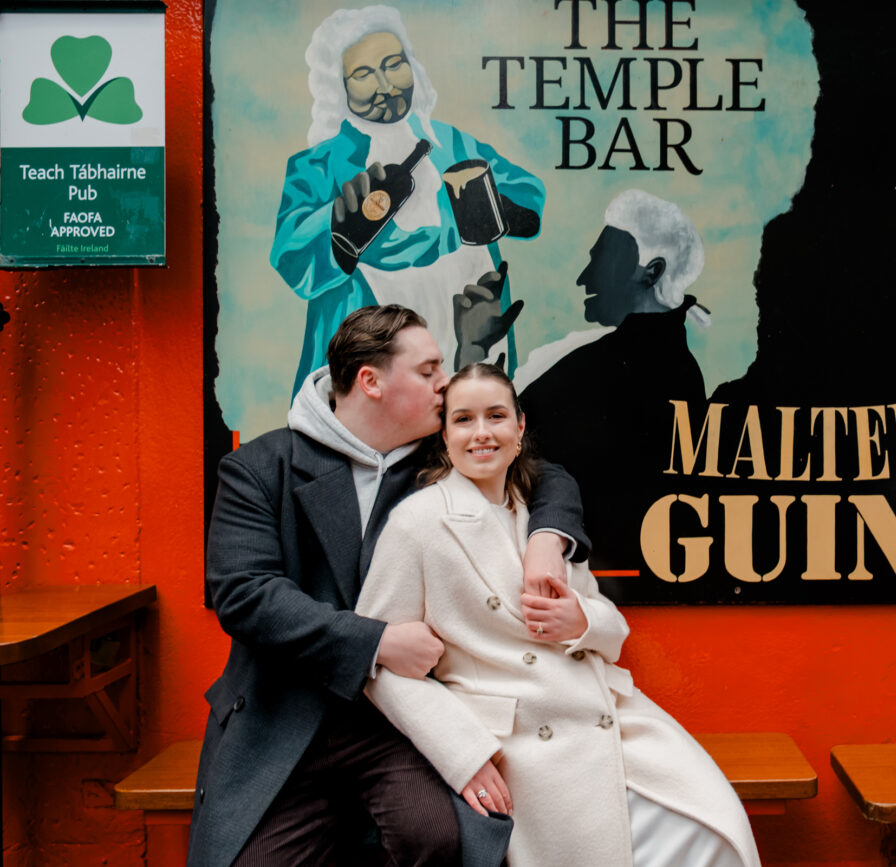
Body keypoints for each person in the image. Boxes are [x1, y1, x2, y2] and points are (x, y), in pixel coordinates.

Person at [191, 306, 587, 867]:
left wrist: (548, 537)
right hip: (282, 713)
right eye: (427, 371)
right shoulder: (261, 466)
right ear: (370, 381)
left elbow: (547, 475)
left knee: (439, 839)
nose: (444, 383)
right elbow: (245, 593)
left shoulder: (442, 455)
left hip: (400, 720)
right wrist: (374, 642)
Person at [356, 363, 761, 867]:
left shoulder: (543, 518)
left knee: (713, 832)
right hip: (521, 741)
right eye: (463, 419)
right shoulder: (416, 524)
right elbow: (380, 666)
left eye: (496, 416)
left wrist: (581, 622)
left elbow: (611, 625)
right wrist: (462, 756)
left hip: (612, 719)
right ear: (444, 433)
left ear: (520, 427)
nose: (481, 433)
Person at [272, 4, 543, 397]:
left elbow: (528, 199)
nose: (386, 85)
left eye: (393, 64)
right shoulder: (319, 165)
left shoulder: (452, 143)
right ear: (339, 85)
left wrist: (499, 210)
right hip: (375, 354)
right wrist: (338, 228)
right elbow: (290, 255)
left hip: (469, 330)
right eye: (364, 74)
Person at [516, 190, 708, 568]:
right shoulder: (669, 366)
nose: (584, 277)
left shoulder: (614, 370)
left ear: (650, 271)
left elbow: (509, 440)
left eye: (601, 259)